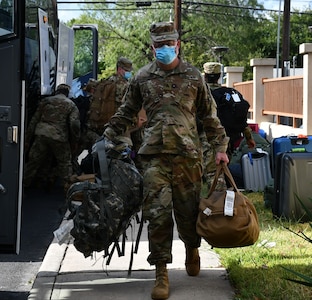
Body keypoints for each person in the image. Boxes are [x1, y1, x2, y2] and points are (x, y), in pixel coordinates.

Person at [103, 22, 229, 300]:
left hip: (187, 157)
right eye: (157, 45)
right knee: (157, 215)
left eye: (167, 44)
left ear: (177, 45)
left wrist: (220, 146)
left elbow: (210, 116)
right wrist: (108, 133)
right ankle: (161, 272)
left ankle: (191, 248)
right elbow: (127, 111)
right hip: (154, 158)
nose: (163, 49)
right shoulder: (142, 78)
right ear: (152, 48)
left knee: (187, 214)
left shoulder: (194, 77)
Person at [202, 62, 256, 191]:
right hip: (229, 140)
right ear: (220, 76)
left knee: (213, 174)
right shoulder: (230, 94)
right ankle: (226, 200)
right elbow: (242, 120)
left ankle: (219, 204)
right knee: (223, 170)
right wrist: (249, 138)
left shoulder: (202, 94)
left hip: (206, 140)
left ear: (205, 76)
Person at [24, 84, 80, 192]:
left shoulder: (46, 101)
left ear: (56, 91)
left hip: (42, 134)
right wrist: (75, 141)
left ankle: (23, 187)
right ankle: (68, 190)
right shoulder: (71, 105)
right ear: (67, 93)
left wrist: (27, 139)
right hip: (59, 137)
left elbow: (34, 120)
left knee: (33, 163)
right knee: (65, 164)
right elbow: (74, 125)